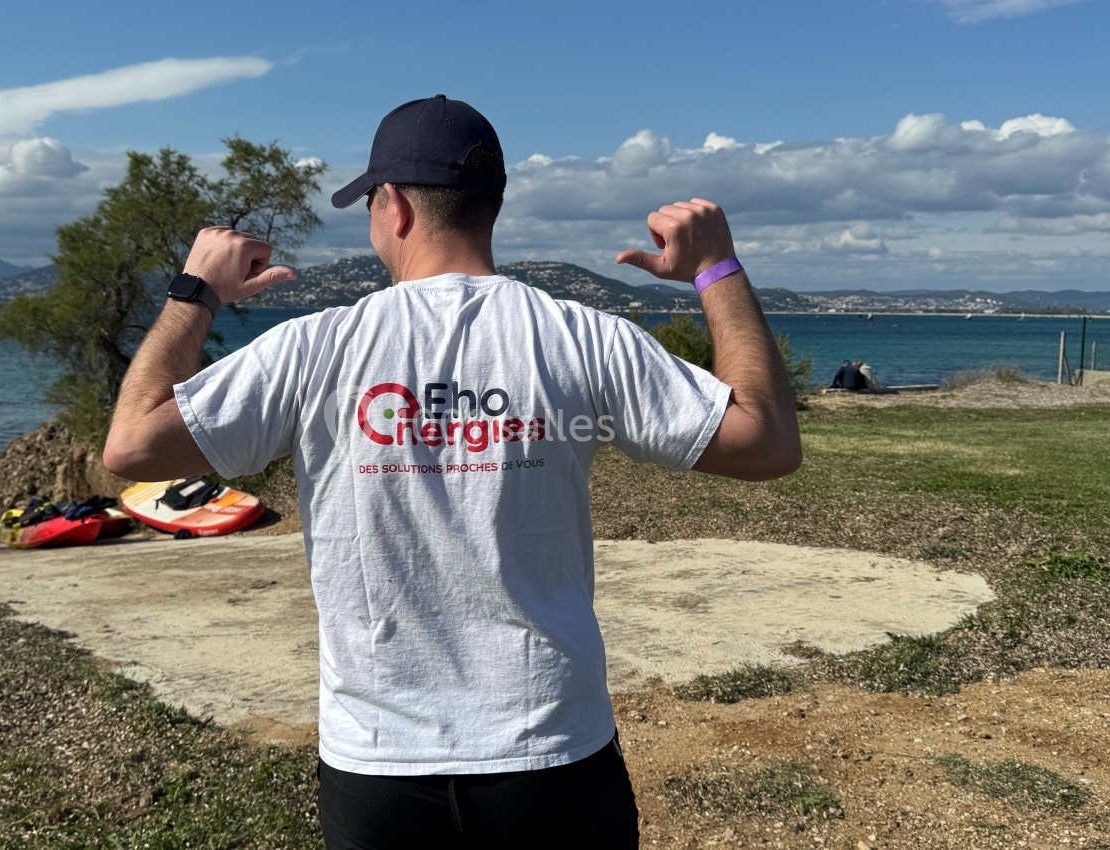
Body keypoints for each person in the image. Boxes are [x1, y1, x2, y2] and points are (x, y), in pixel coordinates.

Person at [104, 95, 802, 849]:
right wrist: (716, 270)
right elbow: (765, 443)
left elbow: (133, 446)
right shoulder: (585, 337)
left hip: (379, 762)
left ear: (393, 207)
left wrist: (194, 292)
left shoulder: (313, 347)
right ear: (490, 207)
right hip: (552, 752)